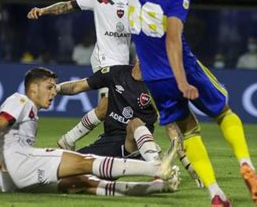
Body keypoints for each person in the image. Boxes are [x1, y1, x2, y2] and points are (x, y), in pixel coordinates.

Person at [127, 0, 257, 207]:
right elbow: (172, 40)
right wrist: (182, 82)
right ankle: (245, 164)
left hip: (154, 79)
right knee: (224, 113)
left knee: (189, 132)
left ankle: (216, 194)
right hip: (183, 69)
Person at [0, 67, 179, 196]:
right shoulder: (21, 101)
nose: (53, 92)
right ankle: (155, 168)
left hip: (11, 180)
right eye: (49, 87)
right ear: (33, 88)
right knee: (86, 163)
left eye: (54, 88)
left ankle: (156, 186)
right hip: (22, 163)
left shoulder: (30, 112)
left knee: (82, 184)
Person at [27, 0, 133, 148]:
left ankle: (56, 91)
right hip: (104, 59)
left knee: (116, 110)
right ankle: (69, 140)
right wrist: (43, 10)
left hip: (124, 63)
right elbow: (66, 6)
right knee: (105, 107)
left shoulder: (136, 0)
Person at [56, 61, 202, 187]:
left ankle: (157, 165)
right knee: (65, 170)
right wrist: (54, 89)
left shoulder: (156, 89)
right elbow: (78, 86)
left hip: (131, 143)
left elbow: (171, 128)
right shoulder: (115, 73)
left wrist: (188, 164)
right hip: (108, 140)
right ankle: (146, 156)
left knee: (134, 122)